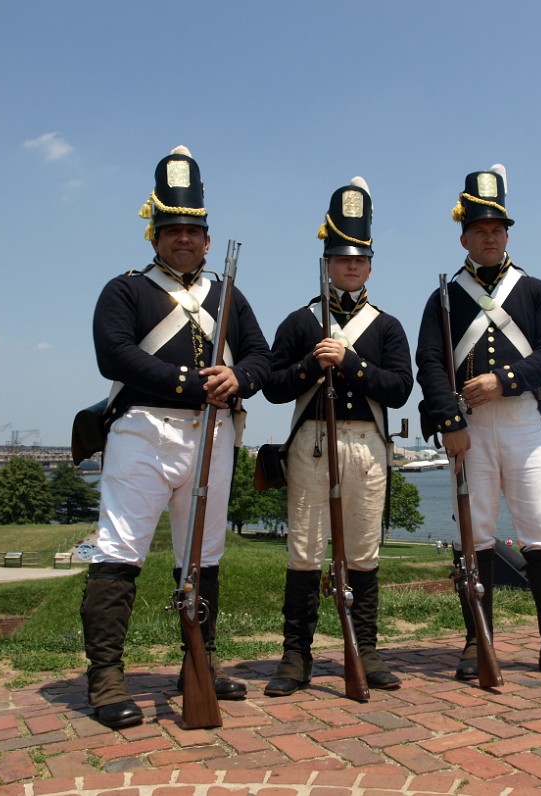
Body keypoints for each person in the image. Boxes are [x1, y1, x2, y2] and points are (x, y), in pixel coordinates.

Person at [80, 145, 271, 729]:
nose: (183, 239)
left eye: (192, 230)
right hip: (143, 432)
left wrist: (238, 377)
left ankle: (201, 663)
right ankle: (106, 677)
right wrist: (195, 382)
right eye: (171, 230)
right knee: (119, 552)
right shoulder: (125, 290)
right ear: (154, 236)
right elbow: (114, 355)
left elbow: (262, 358)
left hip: (213, 437)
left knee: (204, 557)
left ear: (208, 240)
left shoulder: (229, 297)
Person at [415, 164, 541, 685]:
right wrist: (451, 420)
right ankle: (478, 638)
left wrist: (503, 380)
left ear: (507, 234)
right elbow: (430, 365)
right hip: (469, 429)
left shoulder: (535, 290)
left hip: (522, 421)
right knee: (474, 534)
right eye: (480, 230)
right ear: (464, 236)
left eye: (498, 229)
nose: (490, 237)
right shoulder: (443, 297)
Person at [262, 177, 414, 697]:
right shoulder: (300, 322)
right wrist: (311, 364)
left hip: (367, 447)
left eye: (359, 260)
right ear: (327, 263)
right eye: (341, 259)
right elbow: (274, 389)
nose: (351, 267)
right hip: (311, 446)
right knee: (305, 551)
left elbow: (399, 390)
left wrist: (349, 363)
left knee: (364, 552)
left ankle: (365, 649)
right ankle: (295, 655)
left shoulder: (387, 326)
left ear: (370, 265)